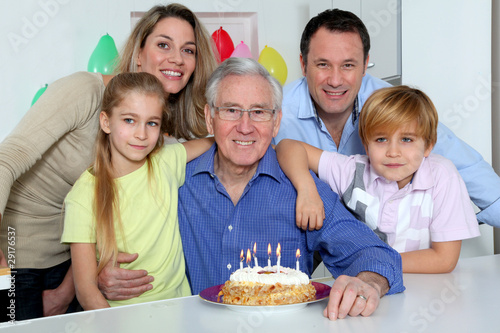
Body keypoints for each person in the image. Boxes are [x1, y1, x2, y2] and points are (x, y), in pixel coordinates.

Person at [0, 3, 217, 320]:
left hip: (71, 263)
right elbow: (9, 158)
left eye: (188, 50)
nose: (177, 58)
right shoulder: (84, 92)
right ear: (139, 53)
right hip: (19, 254)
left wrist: (69, 290)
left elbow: (100, 216)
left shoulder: (158, 140)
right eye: (163, 44)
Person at [176, 57, 404, 321]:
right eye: (231, 110)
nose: (245, 126)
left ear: (276, 122)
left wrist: (367, 283)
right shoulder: (176, 182)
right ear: (209, 117)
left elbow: (373, 253)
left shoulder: (302, 187)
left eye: (259, 112)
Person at [272, 8, 500, 227]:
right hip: (302, 220)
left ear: (364, 65)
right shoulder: (275, 111)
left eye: (348, 65)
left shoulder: (388, 103)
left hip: (376, 232)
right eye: (323, 64)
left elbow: (461, 162)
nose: (335, 80)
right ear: (303, 64)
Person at [276, 85, 480, 274]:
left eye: (406, 139)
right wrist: (307, 190)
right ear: (366, 144)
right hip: (363, 292)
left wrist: (374, 263)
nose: (393, 152)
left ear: (428, 146)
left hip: (423, 293)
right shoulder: (352, 170)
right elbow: (288, 147)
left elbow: (444, 260)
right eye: (381, 139)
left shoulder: (443, 175)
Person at [61, 73, 212, 309]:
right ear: (106, 122)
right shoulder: (83, 195)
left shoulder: (166, 161)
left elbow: (217, 140)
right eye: (129, 120)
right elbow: (86, 291)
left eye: (152, 123)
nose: (141, 134)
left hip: (179, 316)